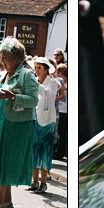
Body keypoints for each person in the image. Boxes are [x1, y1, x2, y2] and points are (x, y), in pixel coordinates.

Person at [0, 38, 39, 208]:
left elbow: (33, 100)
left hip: (16, 126)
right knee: (0, 161)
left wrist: (13, 96)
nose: (2, 61)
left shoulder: (26, 75)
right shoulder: (0, 75)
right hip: (0, 123)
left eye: (5, 57)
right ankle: (6, 202)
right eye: (1, 57)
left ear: (16, 58)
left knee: (4, 162)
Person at [29, 57, 61, 194]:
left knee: (45, 152)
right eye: (35, 67)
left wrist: (35, 84)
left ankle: (43, 183)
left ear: (46, 69)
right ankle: (34, 182)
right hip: (35, 119)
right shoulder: (35, 82)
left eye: (39, 68)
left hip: (47, 121)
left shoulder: (52, 82)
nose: (36, 70)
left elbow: (48, 94)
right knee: (34, 151)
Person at [52, 62, 69, 160]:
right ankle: (55, 151)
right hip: (58, 110)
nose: (58, 76)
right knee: (56, 132)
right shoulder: (58, 84)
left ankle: (61, 152)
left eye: (60, 75)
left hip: (65, 112)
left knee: (62, 133)